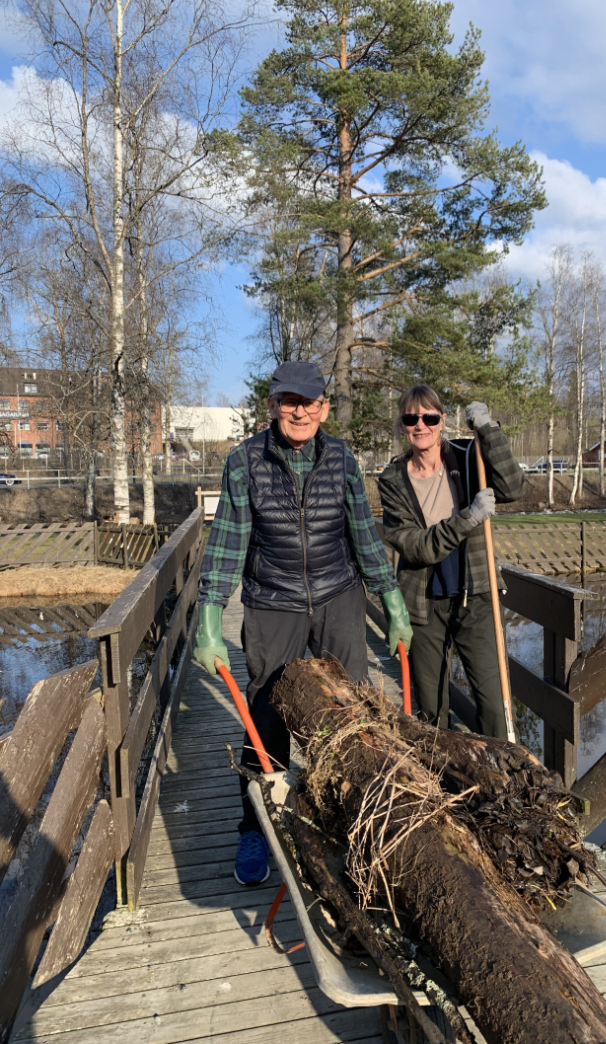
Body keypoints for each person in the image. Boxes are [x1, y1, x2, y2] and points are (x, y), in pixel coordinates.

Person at [192, 361, 412, 886]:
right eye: (289, 401)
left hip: (338, 597)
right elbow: (227, 544)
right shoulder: (245, 462)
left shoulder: (341, 458)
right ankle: (257, 826)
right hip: (273, 601)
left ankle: (354, 819)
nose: (299, 411)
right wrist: (208, 615)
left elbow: (362, 533)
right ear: (272, 405)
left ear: (324, 409)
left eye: (310, 402)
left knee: (350, 708)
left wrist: (392, 600)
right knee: (266, 709)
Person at [377, 385, 525, 739]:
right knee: (432, 707)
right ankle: (439, 781)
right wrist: (467, 518)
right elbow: (416, 547)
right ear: (402, 424)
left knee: (493, 701)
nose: (421, 425)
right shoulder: (393, 479)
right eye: (411, 418)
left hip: (475, 595)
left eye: (429, 417)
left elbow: (513, 486)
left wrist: (488, 429)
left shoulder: (467, 455)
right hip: (423, 603)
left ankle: (502, 777)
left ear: (442, 420)